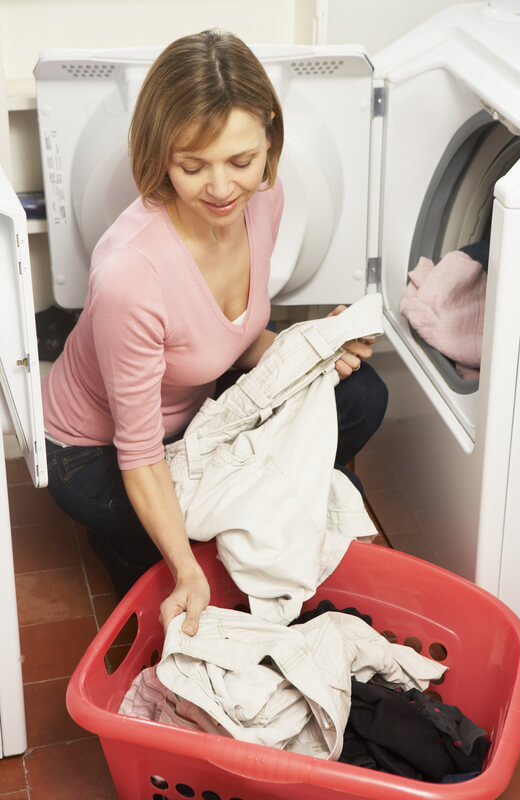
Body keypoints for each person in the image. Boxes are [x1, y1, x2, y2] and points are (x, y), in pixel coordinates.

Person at [43, 29, 387, 638]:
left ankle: (224, 511)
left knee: (361, 395)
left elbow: (236, 339)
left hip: (195, 405)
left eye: (241, 161)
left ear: (269, 140)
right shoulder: (132, 274)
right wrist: (184, 572)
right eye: (191, 166)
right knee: (195, 555)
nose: (223, 188)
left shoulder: (267, 197)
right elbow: (140, 451)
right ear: (159, 153)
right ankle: (130, 544)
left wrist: (309, 349)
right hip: (98, 457)